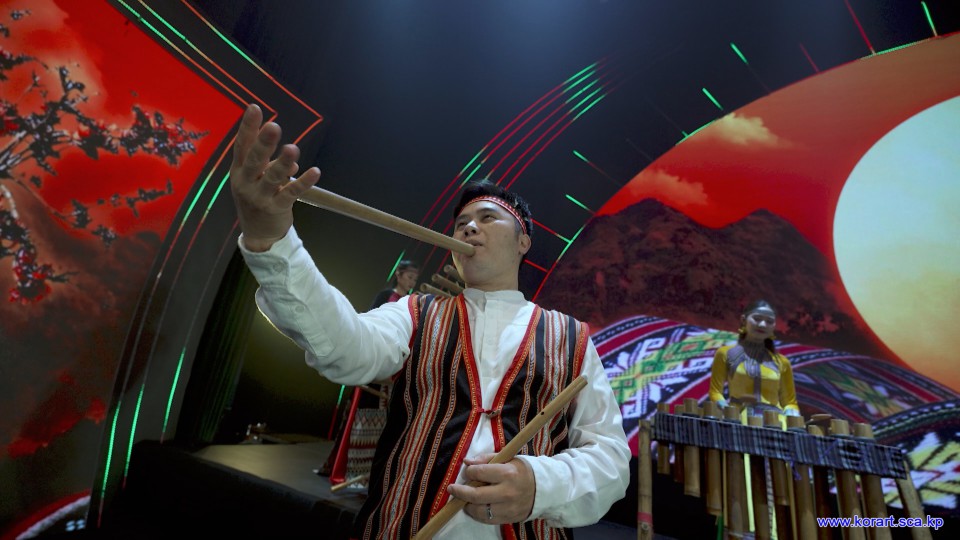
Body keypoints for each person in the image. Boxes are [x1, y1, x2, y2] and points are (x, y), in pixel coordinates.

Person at [228, 104, 630, 539]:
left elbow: (609, 457)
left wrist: (540, 485)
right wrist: (271, 240)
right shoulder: (415, 313)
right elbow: (344, 348)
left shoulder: (571, 337)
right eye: (461, 224)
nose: (469, 229)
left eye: (487, 218)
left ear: (523, 242)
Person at [708, 299, 800, 418]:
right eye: (757, 319)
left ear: (774, 326)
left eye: (769, 321)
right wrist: (725, 408)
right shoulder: (726, 353)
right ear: (743, 320)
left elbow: (790, 402)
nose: (762, 325)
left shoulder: (782, 362)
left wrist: (792, 413)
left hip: (776, 421)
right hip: (738, 418)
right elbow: (715, 392)